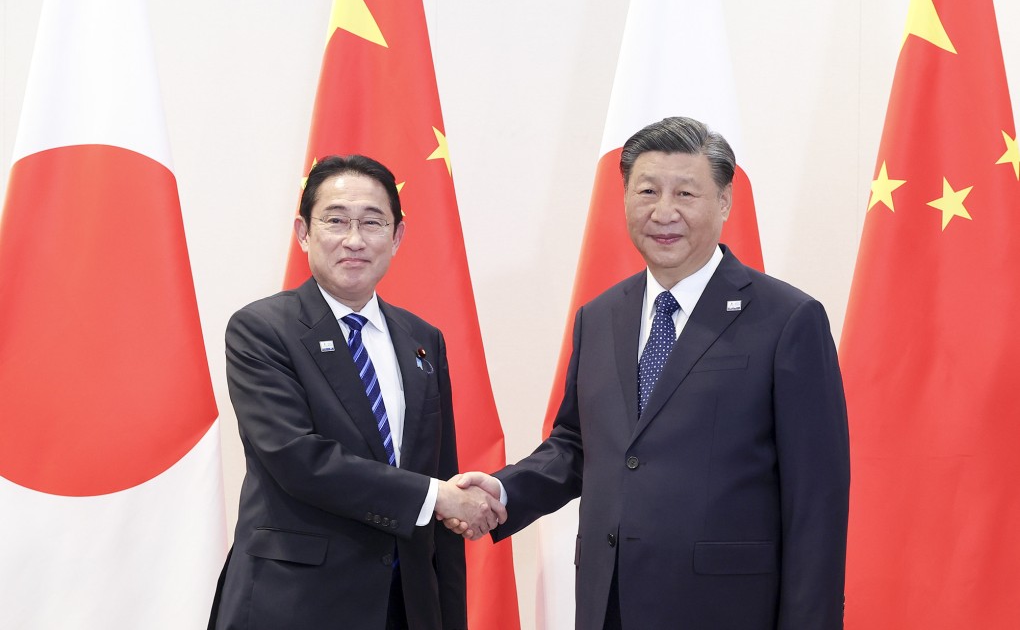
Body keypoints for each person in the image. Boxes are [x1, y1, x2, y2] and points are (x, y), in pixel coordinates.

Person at [449, 117, 850, 629]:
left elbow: (816, 498)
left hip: (727, 611)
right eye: (647, 191)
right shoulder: (599, 316)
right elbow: (576, 444)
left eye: (686, 192)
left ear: (724, 203)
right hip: (609, 602)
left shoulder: (787, 319)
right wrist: (502, 492)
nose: (664, 212)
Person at [209, 155, 504, 630]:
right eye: (335, 220)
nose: (354, 239)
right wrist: (436, 497)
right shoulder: (261, 330)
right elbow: (299, 460)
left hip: (403, 604)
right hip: (294, 604)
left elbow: (439, 473)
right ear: (304, 232)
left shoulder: (422, 340)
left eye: (372, 222)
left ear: (397, 236)